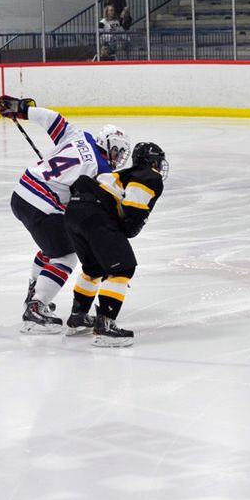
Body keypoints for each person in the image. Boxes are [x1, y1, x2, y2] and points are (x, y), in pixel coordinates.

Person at [0, 95, 131, 333]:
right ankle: (36, 307)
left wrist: (22, 109)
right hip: (42, 204)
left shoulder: (80, 136)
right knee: (66, 256)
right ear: (109, 144)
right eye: (119, 151)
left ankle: (33, 293)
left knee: (51, 248)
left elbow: (52, 119)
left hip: (20, 194)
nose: (119, 158)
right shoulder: (101, 170)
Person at [63, 141, 167, 347]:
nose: (159, 167)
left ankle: (78, 316)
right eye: (157, 162)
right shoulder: (149, 176)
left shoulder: (119, 174)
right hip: (95, 214)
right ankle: (105, 326)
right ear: (151, 162)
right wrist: (135, 222)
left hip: (74, 212)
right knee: (123, 267)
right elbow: (133, 210)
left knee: (94, 268)